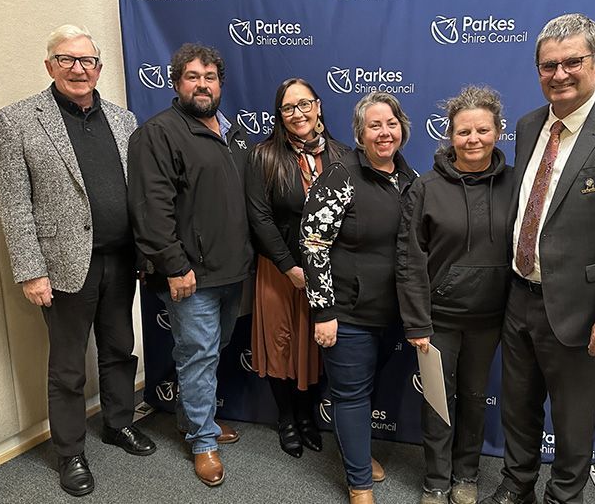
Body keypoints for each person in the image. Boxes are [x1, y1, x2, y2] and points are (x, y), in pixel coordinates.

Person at [481, 13, 595, 504]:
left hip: (583, 312)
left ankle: (563, 496)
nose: (559, 74)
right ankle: (516, 485)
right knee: (517, 408)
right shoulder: (528, 125)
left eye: (572, 62)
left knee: (574, 420)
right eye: (548, 65)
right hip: (519, 298)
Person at [0, 24, 156, 497]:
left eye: (87, 61)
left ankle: (119, 423)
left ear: (99, 68)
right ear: (50, 66)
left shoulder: (123, 120)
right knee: (67, 367)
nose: (78, 69)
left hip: (121, 260)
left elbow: (140, 192)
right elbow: (14, 203)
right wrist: (31, 271)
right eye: (67, 59)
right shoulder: (18, 120)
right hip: (63, 266)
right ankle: (70, 452)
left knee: (119, 348)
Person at [127, 43, 253, 487]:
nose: (202, 85)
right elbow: (151, 209)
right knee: (199, 355)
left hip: (231, 271)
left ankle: (190, 418)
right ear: (176, 82)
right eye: (193, 77)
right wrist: (175, 266)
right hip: (190, 276)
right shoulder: (158, 133)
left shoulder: (232, 134)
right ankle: (202, 440)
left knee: (209, 350)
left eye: (210, 77)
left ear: (220, 84)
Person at [397, 86, 513, 504]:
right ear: (450, 136)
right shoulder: (426, 188)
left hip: (490, 319)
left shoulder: (516, 183)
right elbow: (409, 258)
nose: (473, 139)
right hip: (438, 320)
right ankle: (436, 479)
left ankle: (466, 474)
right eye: (464, 131)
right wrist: (416, 321)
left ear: (498, 131)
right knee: (437, 403)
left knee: (476, 399)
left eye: (483, 130)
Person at [300, 92, 417, 504]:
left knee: (366, 392)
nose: (384, 132)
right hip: (346, 314)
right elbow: (313, 244)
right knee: (350, 396)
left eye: (391, 124)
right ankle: (359, 483)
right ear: (360, 134)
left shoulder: (410, 178)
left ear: (402, 129)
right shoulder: (341, 175)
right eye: (374, 125)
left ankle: (359, 455)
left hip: (392, 314)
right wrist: (323, 311)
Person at [245, 78, 350, 458]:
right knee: (281, 345)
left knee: (314, 345)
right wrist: (289, 266)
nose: (298, 113)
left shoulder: (342, 156)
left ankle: (307, 417)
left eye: (304, 104)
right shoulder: (263, 156)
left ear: (318, 106)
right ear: (280, 115)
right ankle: (286, 418)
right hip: (279, 270)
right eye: (288, 107)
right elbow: (259, 218)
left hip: (327, 274)